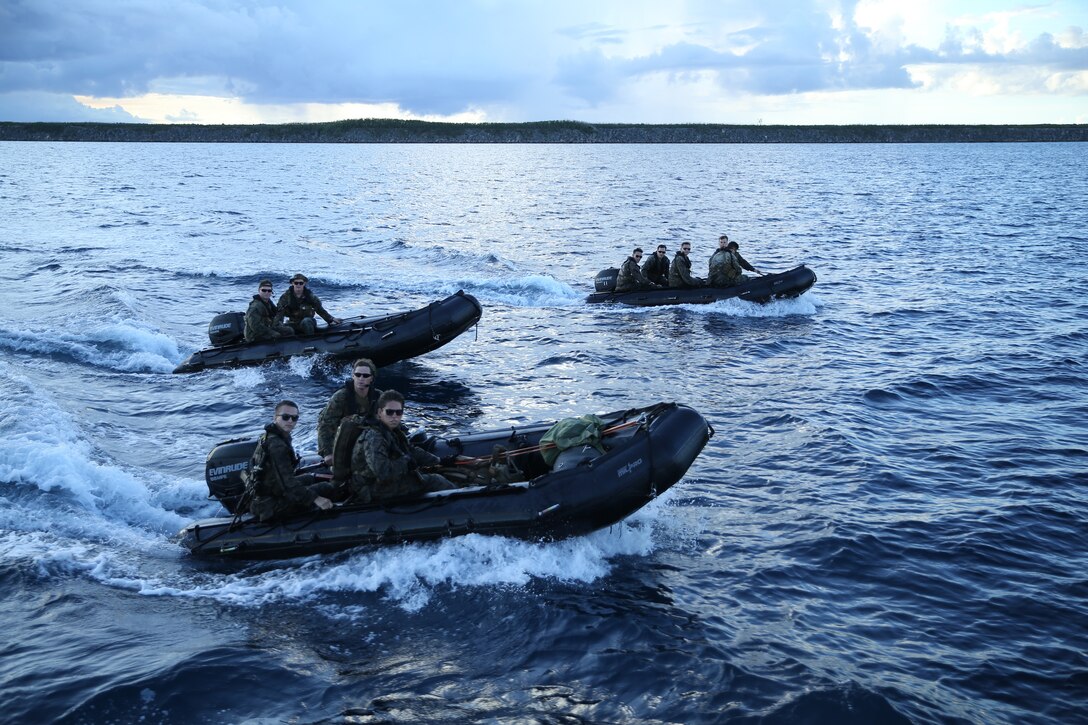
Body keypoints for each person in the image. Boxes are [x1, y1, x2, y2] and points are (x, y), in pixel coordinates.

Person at [349, 390, 456, 503]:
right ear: (380, 412)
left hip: (380, 482)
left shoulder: (393, 431)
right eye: (389, 412)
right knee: (435, 480)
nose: (394, 416)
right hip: (370, 488)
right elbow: (383, 472)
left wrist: (439, 460)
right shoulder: (374, 437)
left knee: (427, 475)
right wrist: (405, 461)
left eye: (398, 412)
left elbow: (410, 450)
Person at [244, 400, 334, 522]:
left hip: (267, 493)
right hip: (269, 505)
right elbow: (288, 484)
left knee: (309, 478)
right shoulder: (277, 445)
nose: (290, 421)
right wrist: (316, 499)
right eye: (285, 417)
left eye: (294, 418)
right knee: (326, 488)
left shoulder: (268, 436)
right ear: (275, 417)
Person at [316, 358, 383, 465]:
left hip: (367, 441)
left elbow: (390, 418)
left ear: (371, 378)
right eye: (358, 375)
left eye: (365, 376)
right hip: (342, 441)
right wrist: (327, 453)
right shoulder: (341, 397)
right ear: (353, 376)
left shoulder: (379, 397)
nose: (361, 378)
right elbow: (325, 424)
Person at [276, 273, 342, 336]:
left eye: (301, 283)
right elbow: (280, 312)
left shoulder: (310, 296)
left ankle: (310, 341)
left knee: (306, 321)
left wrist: (331, 319)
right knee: (286, 329)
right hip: (293, 323)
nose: (298, 285)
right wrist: (278, 325)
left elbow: (319, 309)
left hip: (308, 321)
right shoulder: (285, 297)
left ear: (304, 283)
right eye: (296, 283)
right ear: (292, 283)